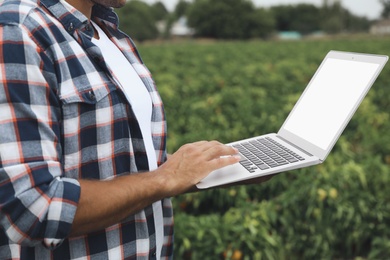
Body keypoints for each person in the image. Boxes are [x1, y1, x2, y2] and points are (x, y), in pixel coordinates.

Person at [0, 0, 271, 259]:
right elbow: (33, 205)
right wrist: (165, 178)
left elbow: (134, 172)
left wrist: (214, 169)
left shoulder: (112, 36)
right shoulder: (18, 30)